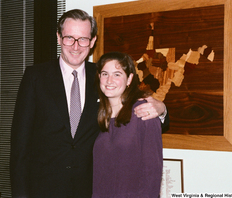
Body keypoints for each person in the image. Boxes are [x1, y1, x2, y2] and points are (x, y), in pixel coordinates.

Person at [10, 9, 168, 198]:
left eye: (83, 39)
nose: (76, 46)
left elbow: (140, 116)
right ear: (59, 37)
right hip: (43, 189)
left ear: (92, 42)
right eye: (69, 38)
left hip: (89, 190)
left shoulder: (102, 78)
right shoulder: (35, 77)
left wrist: (162, 109)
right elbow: (20, 146)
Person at [92, 51, 163, 198]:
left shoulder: (144, 112)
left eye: (117, 74)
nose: (109, 80)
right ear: (99, 77)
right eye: (105, 74)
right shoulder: (97, 113)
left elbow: (152, 175)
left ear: (129, 79)